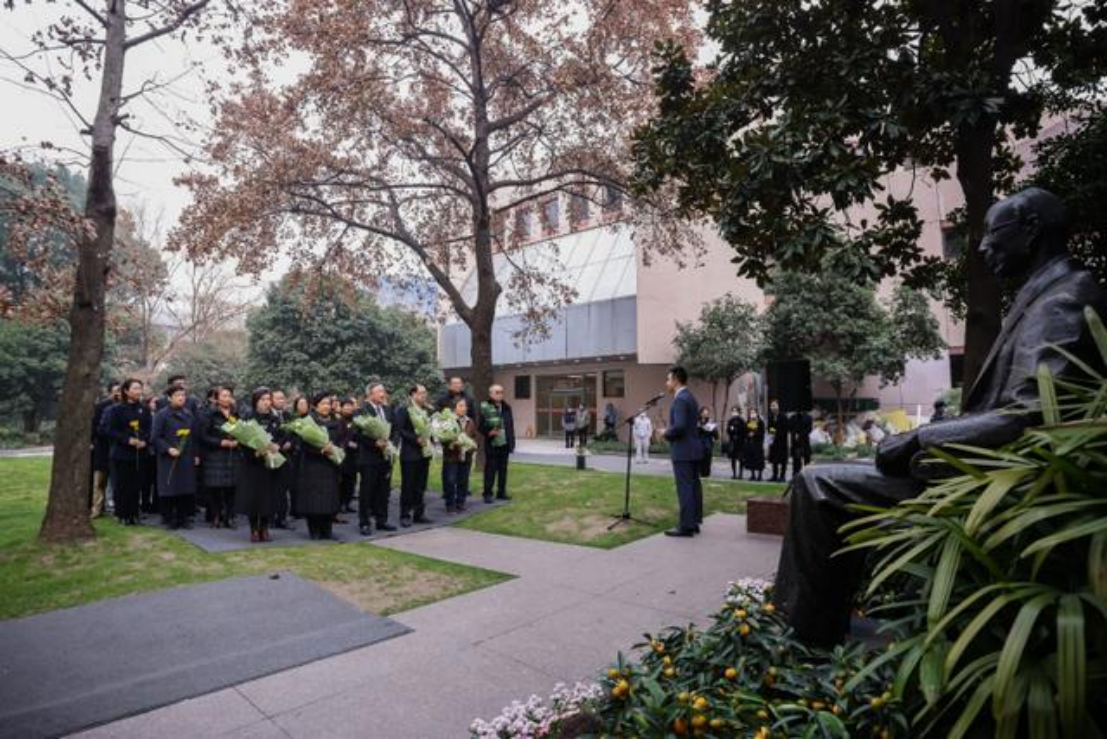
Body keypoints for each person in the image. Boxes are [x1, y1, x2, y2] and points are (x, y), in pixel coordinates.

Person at [774, 187, 1107, 647]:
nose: (984, 247)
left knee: (818, 484)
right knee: (833, 476)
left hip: (997, 485)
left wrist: (918, 439)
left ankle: (800, 645)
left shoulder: (1063, 299)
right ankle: (821, 628)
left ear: (1030, 231)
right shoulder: (1046, 295)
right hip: (985, 473)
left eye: (994, 234)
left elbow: (1029, 414)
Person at [236, 387, 282, 543]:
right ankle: (254, 529)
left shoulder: (275, 418)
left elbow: (281, 437)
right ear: (255, 401)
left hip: (270, 463)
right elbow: (241, 440)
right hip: (252, 464)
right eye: (262, 400)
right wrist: (254, 452)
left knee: (268, 497)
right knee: (253, 497)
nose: (266, 403)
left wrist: (277, 446)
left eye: (268, 399)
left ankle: (265, 527)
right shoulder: (248, 418)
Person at [150, 385, 199, 530]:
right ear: (169, 397)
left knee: (185, 486)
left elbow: (193, 437)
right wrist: (168, 448)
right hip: (169, 457)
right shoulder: (162, 415)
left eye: (183, 395)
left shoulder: (189, 414)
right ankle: (169, 517)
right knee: (170, 486)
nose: (181, 398)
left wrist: (196, 454)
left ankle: (183, 517)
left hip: (186, 456)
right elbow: (155, 437)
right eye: (178, 395)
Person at [104, 379, 151, 525]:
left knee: (137, 485)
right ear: (126, 391)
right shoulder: (116, 409)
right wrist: (128, 440)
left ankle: (134, 514)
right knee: (122, 485)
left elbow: (150, 429)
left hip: (140, 453)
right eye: (135, 388)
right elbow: (109, 430)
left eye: (140, 388)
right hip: (122, 453)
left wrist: (145, 441)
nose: (138, 391)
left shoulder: (144, 409)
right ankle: (122, 514)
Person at [662, 366, 703, 537]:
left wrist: (665, 432)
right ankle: (693, 522)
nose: (666, 383)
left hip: (683, 451)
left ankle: (686, 526)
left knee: (685, 488)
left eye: (668, 379)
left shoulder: (680, 400)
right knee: (694, 486)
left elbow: (679, 427)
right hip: (693, 450)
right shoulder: (690, 398)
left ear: (676, 380)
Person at [297, 391, 343, 540]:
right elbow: (303, 444)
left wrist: (335, 448)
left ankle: (327, 529)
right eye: (323, 404)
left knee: (329, 498)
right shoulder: (309, 422)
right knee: (314, 499)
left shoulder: (336, 421)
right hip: (313, 465)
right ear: (315, 406)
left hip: (330, 465)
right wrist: (321, 450)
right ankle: (314, 529)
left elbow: (343, 440)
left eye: (328, 404)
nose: (326, 406)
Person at [354, 381, 398, 536]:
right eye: (379, 391)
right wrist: (375, 443)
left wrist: (391, 444)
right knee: (367, 492)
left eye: (383, 391)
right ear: (370, 394)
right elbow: (357, 435)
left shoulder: (387, 409)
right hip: (369, 458)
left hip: (386, 457)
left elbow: (395, 430)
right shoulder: (361, 411)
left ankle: (382, 520)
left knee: (383, 490)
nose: (383, 394)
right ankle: (364, 522)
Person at [200, 386, 239, 529]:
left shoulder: (236, 413)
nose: (226, 399)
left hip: (232, 455)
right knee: (215, 488)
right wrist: (220, 442)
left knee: (231, 489)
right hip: (215, 455)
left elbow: (242, 430)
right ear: (217, 398)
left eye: (229, 396)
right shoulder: (209, 414)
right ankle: (216, 516)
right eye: (223, 396)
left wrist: (238, 441)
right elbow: (203, 436)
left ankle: (229, 517)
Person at [395, 384, 433, 527]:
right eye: (422, 393)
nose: (425, 395)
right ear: (413, 395)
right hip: (410, 454)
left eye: (425, 393)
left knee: (421, 486)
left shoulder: (426, 410)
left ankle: (419, 513)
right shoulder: (404, 409)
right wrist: (415, 439)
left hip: (425, 453)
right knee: (408, 486)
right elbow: (400, 429)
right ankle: (405, 514)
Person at [436, 376, 476, 501]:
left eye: (460, 383)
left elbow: (473, 416)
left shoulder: (468, 398)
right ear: (450, 385)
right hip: (450, 441)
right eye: (455, 383)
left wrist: (470, 439)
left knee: (463, 474)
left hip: (466, 433)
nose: (458, 385)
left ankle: (461, 496)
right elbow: (438, 418)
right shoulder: (443, 399)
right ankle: (447, 493)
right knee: (449, 474)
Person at [479, 384, 516, 503]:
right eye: (497, 392)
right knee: (490, 469)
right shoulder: (485, 407)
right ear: (490, 394)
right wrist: (488, 432)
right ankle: (487, 493)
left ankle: (501, 492)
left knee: (503, 469)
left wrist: (512, 442)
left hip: (505, 443)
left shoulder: (506, 407)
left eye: (501, 392)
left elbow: (510, 425)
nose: (500, 394)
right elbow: (480, 425)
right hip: (492, 444)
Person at [90, 380, 121, 518]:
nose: (118, 394)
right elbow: (95, 427)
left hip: (119, 449)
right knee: (99, 481)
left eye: (120, 391)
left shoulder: (124, 406)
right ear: (110, 392)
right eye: (116, 391)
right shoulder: (101, 407)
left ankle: (116, 508)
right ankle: (97, 509)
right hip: (102, 449)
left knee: (117, 481)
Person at [442, 397, 478, 513]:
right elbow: (442, 438)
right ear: (454, 408)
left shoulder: (470, 421)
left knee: (463, 480)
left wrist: (472, 445)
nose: (464, 408)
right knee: (450, 481)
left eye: (465, 406)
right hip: (451, 457)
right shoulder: (448, 420)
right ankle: (450, 504)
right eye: (461, 406)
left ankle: (460, 502)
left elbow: (473, 437)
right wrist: (451, 444)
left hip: (466, 456)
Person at [270, 389, 296, 530]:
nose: (282, 400)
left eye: (283, 398)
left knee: (283, 488)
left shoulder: (288, 416)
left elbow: (294, 433)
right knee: (271, 488)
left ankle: (282, 517)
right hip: (270, 454)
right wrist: (278, 445)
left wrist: (291, 443)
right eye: (278, 398)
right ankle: (270, 517)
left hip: (286, 456)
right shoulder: (267, 416)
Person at [337, 397, 359, 516]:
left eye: (351, 406)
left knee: (352, 480)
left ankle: (347, 502)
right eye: (346, 406)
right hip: (342, 455)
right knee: (343, 480)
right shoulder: (339, 421)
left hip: (353, 456)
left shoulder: (355, 420)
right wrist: (348, 443)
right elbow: (339, 436)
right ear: (341, 408)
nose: (349, 408)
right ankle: (340, 504)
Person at [139, 393, 160, 515]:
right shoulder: (145, 416)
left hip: (157, 453)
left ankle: (156, 505)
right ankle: (145, 504)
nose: (156, 405)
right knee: (146, 481)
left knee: (157, 480)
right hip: (146, 452)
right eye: (153, 402)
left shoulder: (159, 415)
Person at [766, 399, 790, 482]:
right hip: (774, 442)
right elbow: (770, 428)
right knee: (774, 460)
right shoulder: (770, 416)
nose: (772, 407)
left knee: (783, 460)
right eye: (771, 406)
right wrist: (770, 440)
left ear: (778, 406)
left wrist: (777, 434)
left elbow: (785, 429)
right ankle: (774, 475)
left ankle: (782, 476)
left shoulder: (783, 416)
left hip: (782, 442)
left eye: (774, 405)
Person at [741, 408, 766, 481]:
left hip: (758, 443)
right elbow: (745, 431)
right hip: (750, 443)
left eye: (754, 412)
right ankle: (753, 475)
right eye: (751, 413)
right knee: (751, 459)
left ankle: (760, 475)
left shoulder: (760, 422)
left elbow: (762, 433)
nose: (752, 414)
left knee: (759, 459)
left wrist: (755, 434)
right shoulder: (748, 422)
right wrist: (748, 434)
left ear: (757, 413)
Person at [789, 409, 814, 477]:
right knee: (796, 460)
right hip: (796, 442)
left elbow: (809, 429)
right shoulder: (792, 417)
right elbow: (790, 428)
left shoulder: (808, 417)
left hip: (804, 441)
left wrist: (800, 435)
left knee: (807, 459)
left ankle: (807, 475)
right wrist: (795, 434)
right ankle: (796, 475)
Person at [697, 406, 718, 478]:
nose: (705, 415)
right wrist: (699, 427)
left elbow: (716, 435)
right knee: (699, 458)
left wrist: (711, 430)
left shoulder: (710, 422)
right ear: (700, 413)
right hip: (699, 443)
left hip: (707, 443)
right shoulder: (697, 421)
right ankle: (699, 472)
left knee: (707, 458)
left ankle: (706, 473)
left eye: (706, 413)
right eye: (703, 413)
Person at [725, 406, 746, 479]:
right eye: (733, 411)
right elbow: (728, 430)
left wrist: (735, 429)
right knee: (733, 458)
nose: (734, 412)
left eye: (736, 411)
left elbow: (744, 431)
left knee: (741, 458)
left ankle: (740, 474)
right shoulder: (730, 421)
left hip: (740, 442)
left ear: (739, 412)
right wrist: (731, 430)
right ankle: (734, 474)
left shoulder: (742, 420)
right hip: (732, 441)